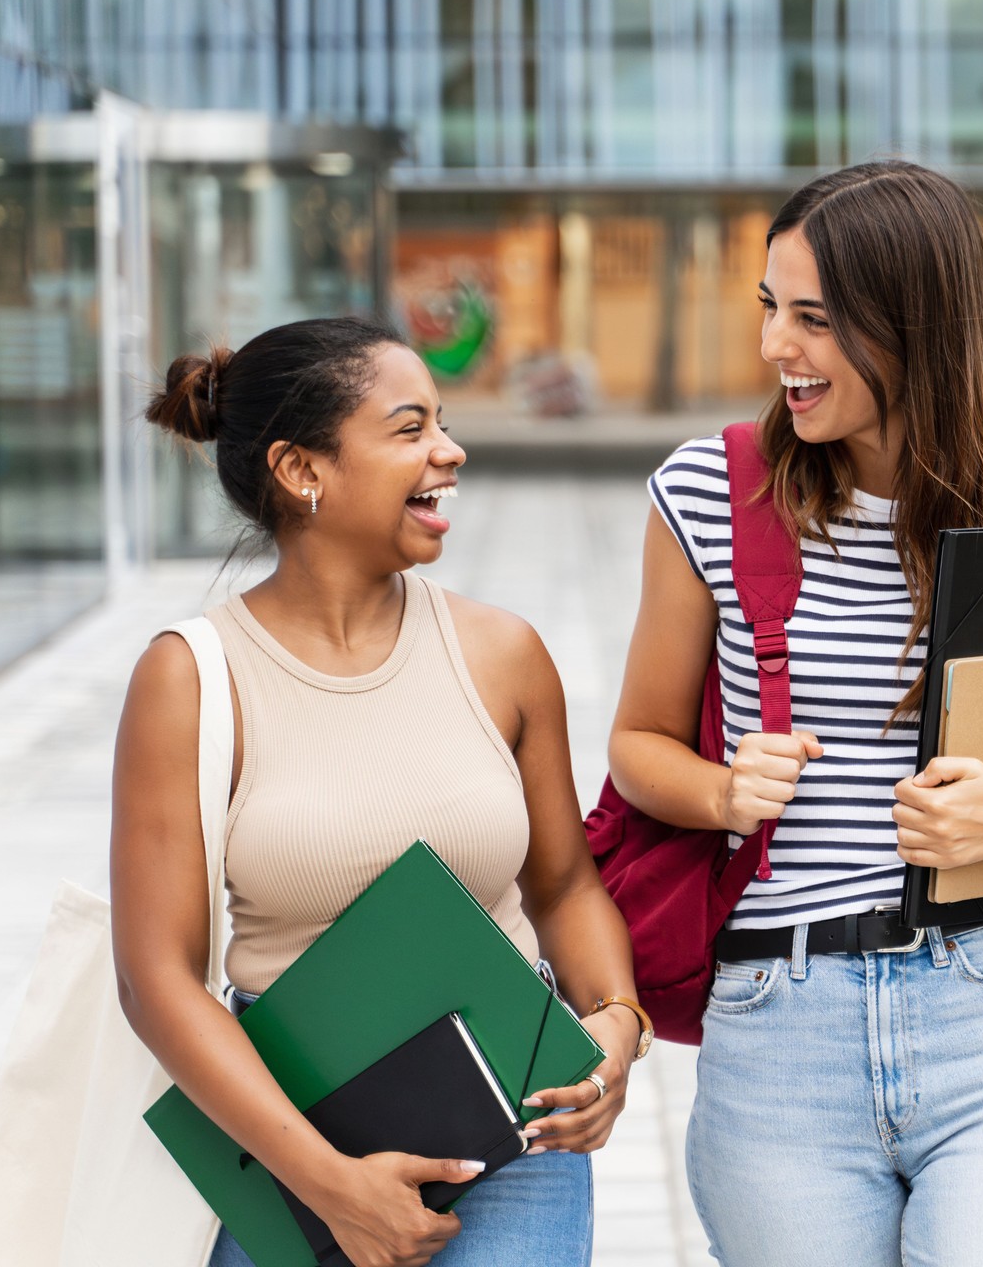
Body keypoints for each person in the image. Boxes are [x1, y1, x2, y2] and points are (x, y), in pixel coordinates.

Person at [607, 160, 983, 1266]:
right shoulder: (712, 492)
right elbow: (636, 745)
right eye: (771, 309)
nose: (779, 345)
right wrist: (722, 789)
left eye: (817, 319)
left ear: (916, 324)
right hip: (780, 1028)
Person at [113, 318, 644, 1267]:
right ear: (301, 469)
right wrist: (332, 1185)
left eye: (440, 423)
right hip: (289, 1140)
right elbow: (158, 977)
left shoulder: (504, 655)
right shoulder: (191, 678)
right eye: (409, 429)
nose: (451, 450)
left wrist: (614, 1023)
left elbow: (565, 888)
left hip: (513, 1117)